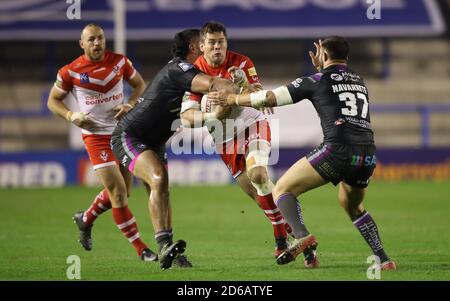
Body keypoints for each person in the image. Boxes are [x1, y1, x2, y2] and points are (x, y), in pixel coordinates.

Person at [208, 36, 396, 270]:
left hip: (337, 149)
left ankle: (302, 235)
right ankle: (383, 259)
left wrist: (231, 98)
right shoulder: (359, 81)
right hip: (367, 153)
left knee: (282, 190)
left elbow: (270, 98)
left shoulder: (316, 80)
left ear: (323, 56)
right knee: (352, 205)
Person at [180, 21, 318, 266]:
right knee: (258, 194)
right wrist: (212, 116)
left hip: (253, 124)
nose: (217, 47)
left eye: (221, 41)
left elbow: (259, 93)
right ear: (202, 46)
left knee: (258, 175)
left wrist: (243, 84)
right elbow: (187, 118)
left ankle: (283, 240)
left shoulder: (241, 62)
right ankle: (299, 237)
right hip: (224, 139)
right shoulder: (192, 74)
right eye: (211, 43)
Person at [110, 29, 235, 270]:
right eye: (202, 43)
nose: (206, 46)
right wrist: (241, 87)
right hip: (130, 137)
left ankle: (168, 250)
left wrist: (213, 113)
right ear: (193, 47)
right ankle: (165, 244)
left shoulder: (181, 72)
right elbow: (212, 84)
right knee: (158, 178)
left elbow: (189, 115)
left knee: (162, 187)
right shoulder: (180, 69)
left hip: (154, 141)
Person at [47, 24, 158, 262]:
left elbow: (140, 85)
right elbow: (53, 101)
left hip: (121, 133)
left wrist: (130, 104)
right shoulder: (70, 71)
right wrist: (71, 115)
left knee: (125, 192)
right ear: (82, 44)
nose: (97, 43)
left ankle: (86, 219)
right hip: (96, 137)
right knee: (118, 193)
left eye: (100, 38)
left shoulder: (119, 62)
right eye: (91, 40)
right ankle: (142, 249)